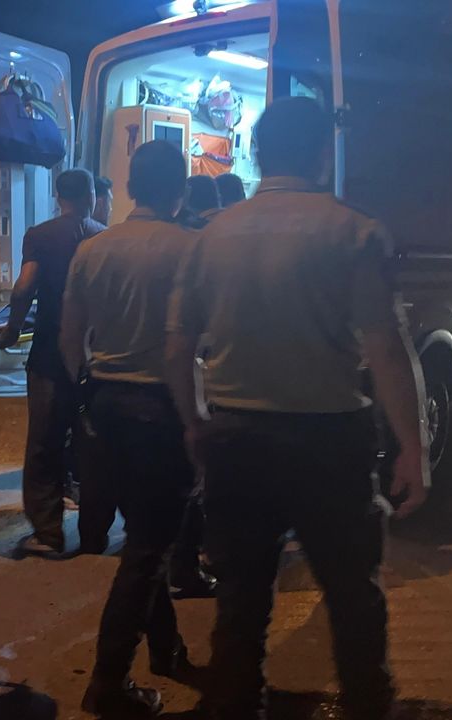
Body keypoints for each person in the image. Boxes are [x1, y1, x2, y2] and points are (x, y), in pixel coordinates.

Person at [166, 97, 430, 719]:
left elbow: (176, 347)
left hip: (236, 436)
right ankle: (367, 705)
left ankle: (236, 706)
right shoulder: (353, 231)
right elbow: (385, 348)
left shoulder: (210, 237)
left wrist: (195, 422)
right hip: (329, 440)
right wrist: (412, 447)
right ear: (321, 153)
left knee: (241, 600)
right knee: (351, 594)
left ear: (259, 153)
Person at [60, 140, 198, 718]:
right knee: (147, 547)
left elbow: (70, 336)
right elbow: (187, 347)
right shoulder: (189, 248)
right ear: (180, 190)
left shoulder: (92, 249)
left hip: (107, 401)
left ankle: (167, 649)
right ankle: (108, 682)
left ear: (131, 187)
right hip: (161, 406)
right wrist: (195, 420)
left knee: (146, 531)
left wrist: (85, 395)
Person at [0, 169, 105, 556]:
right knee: (91, 445)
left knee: (45, 442)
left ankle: (48, 532)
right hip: (93, 357)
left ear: (58, 197)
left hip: (49, 354)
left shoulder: (40, 235)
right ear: (91, 195)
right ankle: (94, 532)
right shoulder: (103, 236)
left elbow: (25, 286)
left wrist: (11, 329)